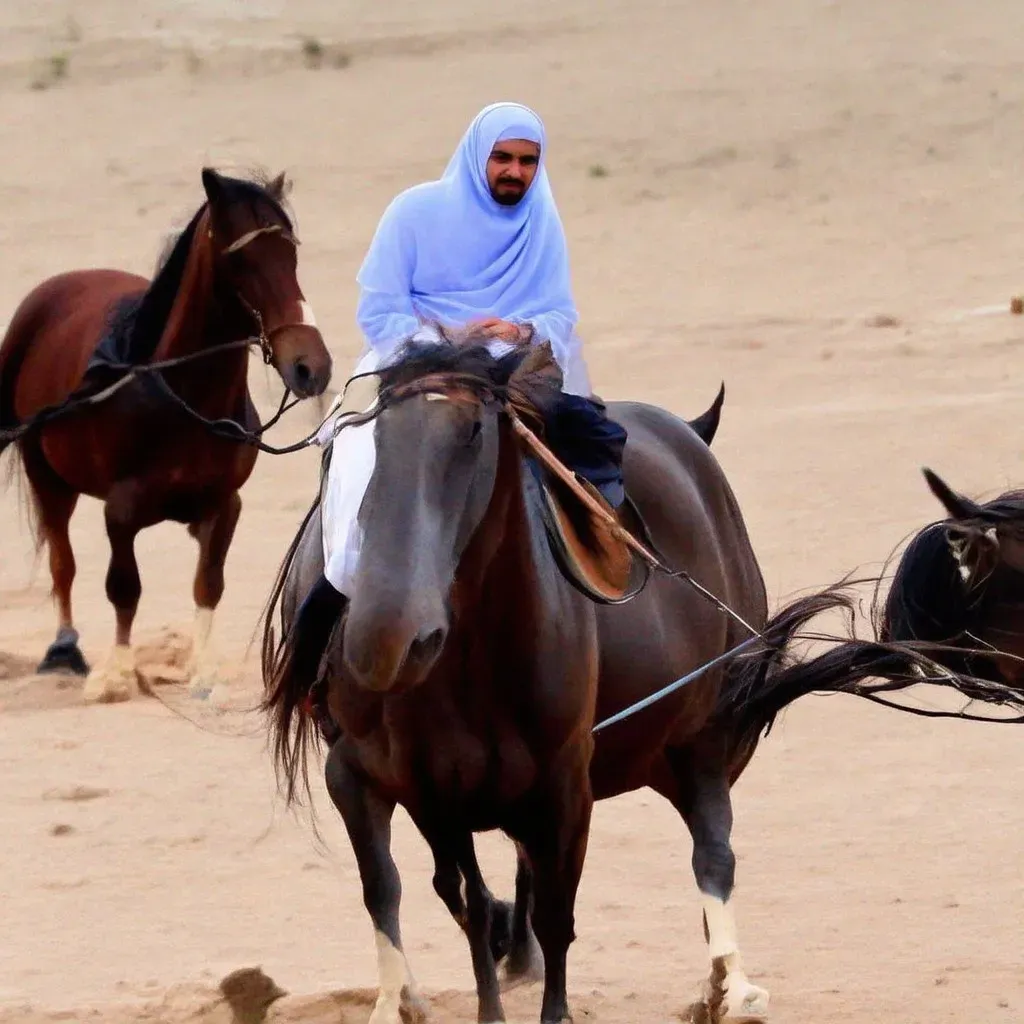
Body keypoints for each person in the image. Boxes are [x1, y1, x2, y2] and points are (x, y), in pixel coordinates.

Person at [278, 101, 623, 715]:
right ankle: (318, 651)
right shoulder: (416, 212)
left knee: (596, 438)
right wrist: (451, 338)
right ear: (477, 155)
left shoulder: (541, 220)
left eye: (526, 161)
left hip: (511, 368)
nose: (514, 172)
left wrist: (518, 329)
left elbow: (559, 316)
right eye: (503, 158)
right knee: (356, 464)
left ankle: (609, 571)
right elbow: (379, 313)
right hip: (413, 367)